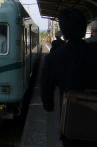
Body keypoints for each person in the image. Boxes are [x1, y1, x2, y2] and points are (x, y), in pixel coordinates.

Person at [40, 9, 97, 147]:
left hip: (72, 121)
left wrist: (49, 106)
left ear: (63, 31)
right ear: (84, 28)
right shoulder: (93, 51)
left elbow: (45, 90)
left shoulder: (53, 58)